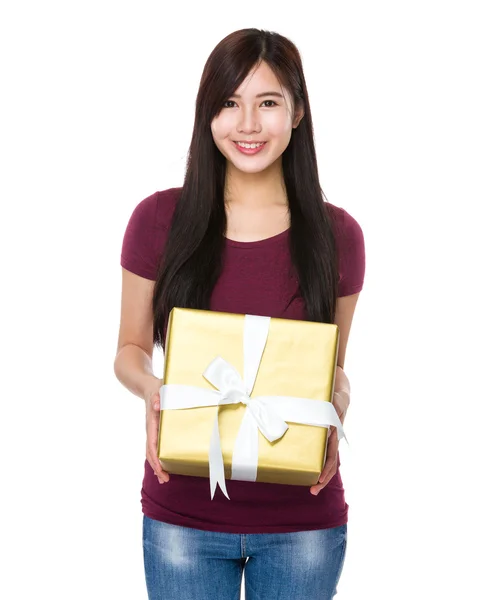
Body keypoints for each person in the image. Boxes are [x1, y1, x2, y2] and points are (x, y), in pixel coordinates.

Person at [114, 27, 365, 600]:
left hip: (303, 520)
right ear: (208, 114)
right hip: (183, 515)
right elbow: (129, 350)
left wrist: (338, 407)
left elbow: (333, 368)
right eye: (229, 103)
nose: (247, 124)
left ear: (297, 112)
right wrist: (154, 391)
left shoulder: (338, 236)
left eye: (268, 103)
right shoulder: (158, 221)